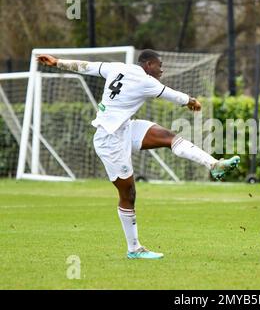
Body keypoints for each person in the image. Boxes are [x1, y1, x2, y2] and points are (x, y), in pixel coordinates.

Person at [37, 50, 240, 260]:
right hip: (110, 140)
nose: (162, 70)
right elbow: (171, 94)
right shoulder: (146, 81)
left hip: (125, 128)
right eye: (160, 65)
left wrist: (57, 62)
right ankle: (134, 249)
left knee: (168, 137)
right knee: (128, 194)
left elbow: (85, 66)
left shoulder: (116, 68)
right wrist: (191, 101)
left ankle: (214, 165)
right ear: (149, 64)